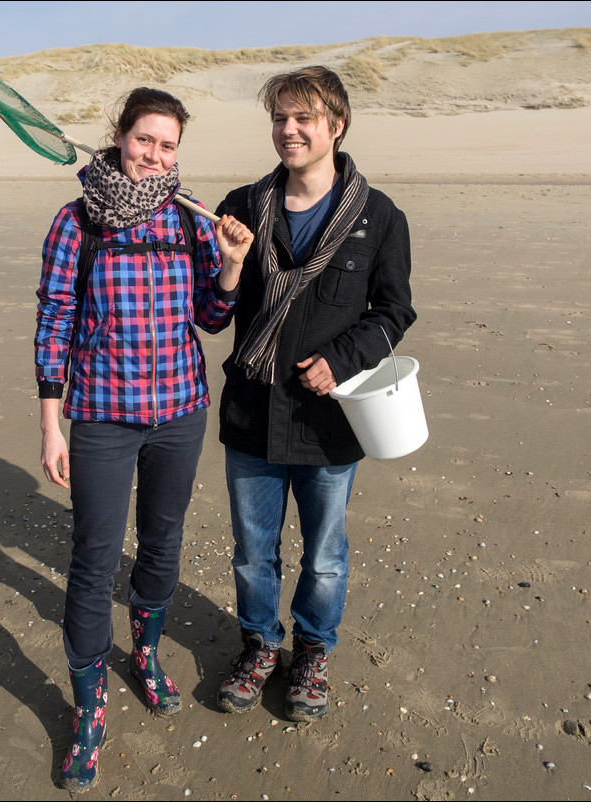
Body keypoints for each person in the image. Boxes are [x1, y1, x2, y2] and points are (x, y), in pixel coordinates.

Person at [35, 87, 253, 791]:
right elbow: (55, 322)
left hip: (180, 410)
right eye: (144, 141)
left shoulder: (188, 219)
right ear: (120, 138)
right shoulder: (77, 224)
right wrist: (51, 425)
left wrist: (229, 263)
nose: (154, 156)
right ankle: (89, 707)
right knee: (94, 558)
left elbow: (211, 317)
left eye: (168, 146)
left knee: (162, 543)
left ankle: (145, 653)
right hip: (101, 414)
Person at [213, 67, 416, 723]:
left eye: (304, 118)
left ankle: (312, 651)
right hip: (251, 414)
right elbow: (214, 309)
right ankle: (261, 646)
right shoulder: (242, 206)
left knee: (325, 556)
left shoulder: (380, 217)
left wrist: (340, 360)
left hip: (328, 424)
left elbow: (392, 312)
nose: (289, 130)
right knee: (252, 553)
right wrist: (232, 264)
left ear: (337, 125)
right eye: (280, 118)